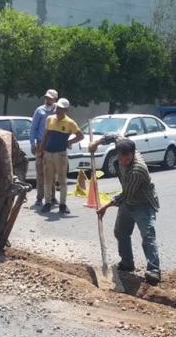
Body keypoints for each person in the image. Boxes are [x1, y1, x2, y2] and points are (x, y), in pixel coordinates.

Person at [89, 136, 161, 285]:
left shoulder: (137, 169)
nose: (123, 162)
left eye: (127, 160)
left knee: (148, 236)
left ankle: (154, 270)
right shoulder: (122, 146)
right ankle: (127, 263)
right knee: (121, 232)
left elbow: (126, 194)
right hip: (128, 202)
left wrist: (106, 206)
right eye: (121, 159)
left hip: (143, 203)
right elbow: (115, 136)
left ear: (133, 154)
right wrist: (96, 142)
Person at [38, 98, 83, 214]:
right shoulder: (50, 119)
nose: (58, 110)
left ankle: (62, 205)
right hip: (48, 153)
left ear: (66, 110)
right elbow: (45, 135)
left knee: (62, 180)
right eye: (57, 108)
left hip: (61, 154)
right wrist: (40, 150)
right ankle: (47, 203)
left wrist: (69, 142)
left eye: (61, 109)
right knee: (48, 180)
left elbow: (80, 136)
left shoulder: (70, 123)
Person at [30, 89, 59, 206]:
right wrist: (33, 143)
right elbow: (33, 128)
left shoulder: (58, 110)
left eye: (50, 98)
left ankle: (52, 197)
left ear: (55, 99)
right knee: (41, 172)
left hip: (54, 144)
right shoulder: (39, 111)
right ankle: (39, 198)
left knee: (52, 172)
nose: (48, 100)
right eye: (47, 98)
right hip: (41, 144)